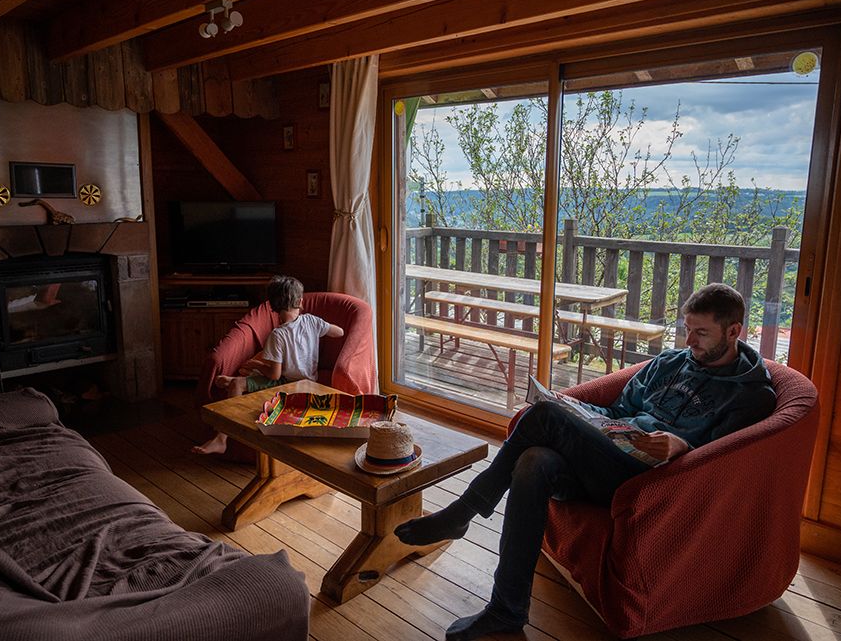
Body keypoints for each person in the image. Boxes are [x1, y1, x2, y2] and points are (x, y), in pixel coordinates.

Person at [394, 282, 777, 641]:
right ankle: (506, 609)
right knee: (533, 460)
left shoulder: (750, 396)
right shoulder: (669, 363)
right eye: (687, 329)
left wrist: (680, 445)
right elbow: (619, 408)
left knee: (541, 418)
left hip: (652, 483)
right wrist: (577, 411)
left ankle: (464, 510)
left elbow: (724, 463)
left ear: (733, 332)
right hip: (611, 457)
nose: (688, 341)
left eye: (701, 333)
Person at [192, 275, 344, 455]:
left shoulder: (277, 335)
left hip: (289, 384)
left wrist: (256, 363)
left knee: (236, 385)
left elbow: (274, 375)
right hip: (310, 382)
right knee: (244, 377)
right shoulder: (312, 321)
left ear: (272, 306)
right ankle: (234, 385)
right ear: (300, 302)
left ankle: (221, 439)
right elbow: (339, 332)